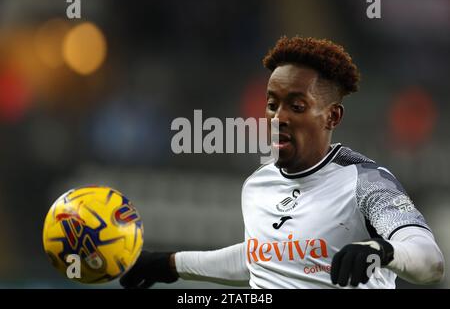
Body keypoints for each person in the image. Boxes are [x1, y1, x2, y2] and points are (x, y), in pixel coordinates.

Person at [120, 36, 444, 289]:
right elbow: (262, 260)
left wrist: (382, 251)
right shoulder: (258, 185)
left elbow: (430, 263)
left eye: (297, 106)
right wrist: (169, 264)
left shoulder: (367, 180)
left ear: (332, 116)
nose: (279, 118)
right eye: (272, 104)